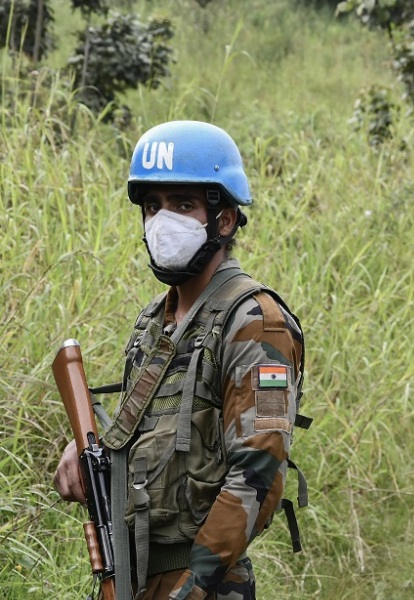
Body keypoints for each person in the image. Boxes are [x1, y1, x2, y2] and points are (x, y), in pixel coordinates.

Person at [53, 120, 306, 599]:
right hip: (132, 576)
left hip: (204, 583)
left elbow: (260, 473)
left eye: (183, 205)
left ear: (225, 219)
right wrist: (89, 454)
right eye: (153, 206)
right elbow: (155, 440)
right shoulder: (156, 319)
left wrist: (193, 588)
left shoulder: (257, 322)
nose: (163, 221)